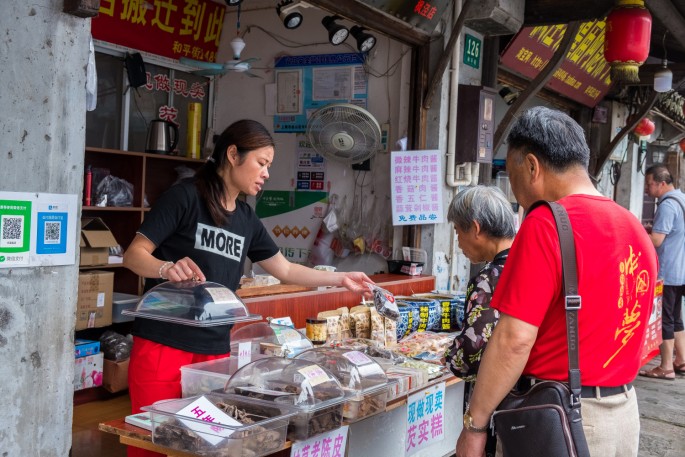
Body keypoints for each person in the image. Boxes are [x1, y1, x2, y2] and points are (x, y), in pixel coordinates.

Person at [123, 119, 373, 457]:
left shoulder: (245, 218)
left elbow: (284, 269)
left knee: (205, 446)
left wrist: (341, 278)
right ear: (232, 155)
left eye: (268, 165)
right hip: (162, 344)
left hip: (213, 352)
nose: (266, 173)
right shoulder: (184, 197)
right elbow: (134, 255)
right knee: (153, 443)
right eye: (262, 162)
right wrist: (165, 267)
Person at [455, 106, 658, 457]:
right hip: (623, 415)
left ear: (532, 166)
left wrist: (475, 424)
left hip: (560, 419)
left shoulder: (546, 223)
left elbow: (513, 339)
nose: (516, 194)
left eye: (513, 174)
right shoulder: (634, 227)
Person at [444, 185, 516, 457]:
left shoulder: (490, 277)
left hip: (502, 399)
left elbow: (472, 350)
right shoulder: (528, 261)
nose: (459, 243)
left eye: (458, 233)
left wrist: (449, 355)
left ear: (475, 228)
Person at [640, 164, 685, 380]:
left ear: (662, 183)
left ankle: (666, 366)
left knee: (665, 319)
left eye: (650, 184)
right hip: (681, 270)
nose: (647, 189)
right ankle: (681, 360)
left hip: (668, 272)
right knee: (676, 318)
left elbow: (657, 240)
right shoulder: (681, 199)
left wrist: (635, 232)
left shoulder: (667, 205)